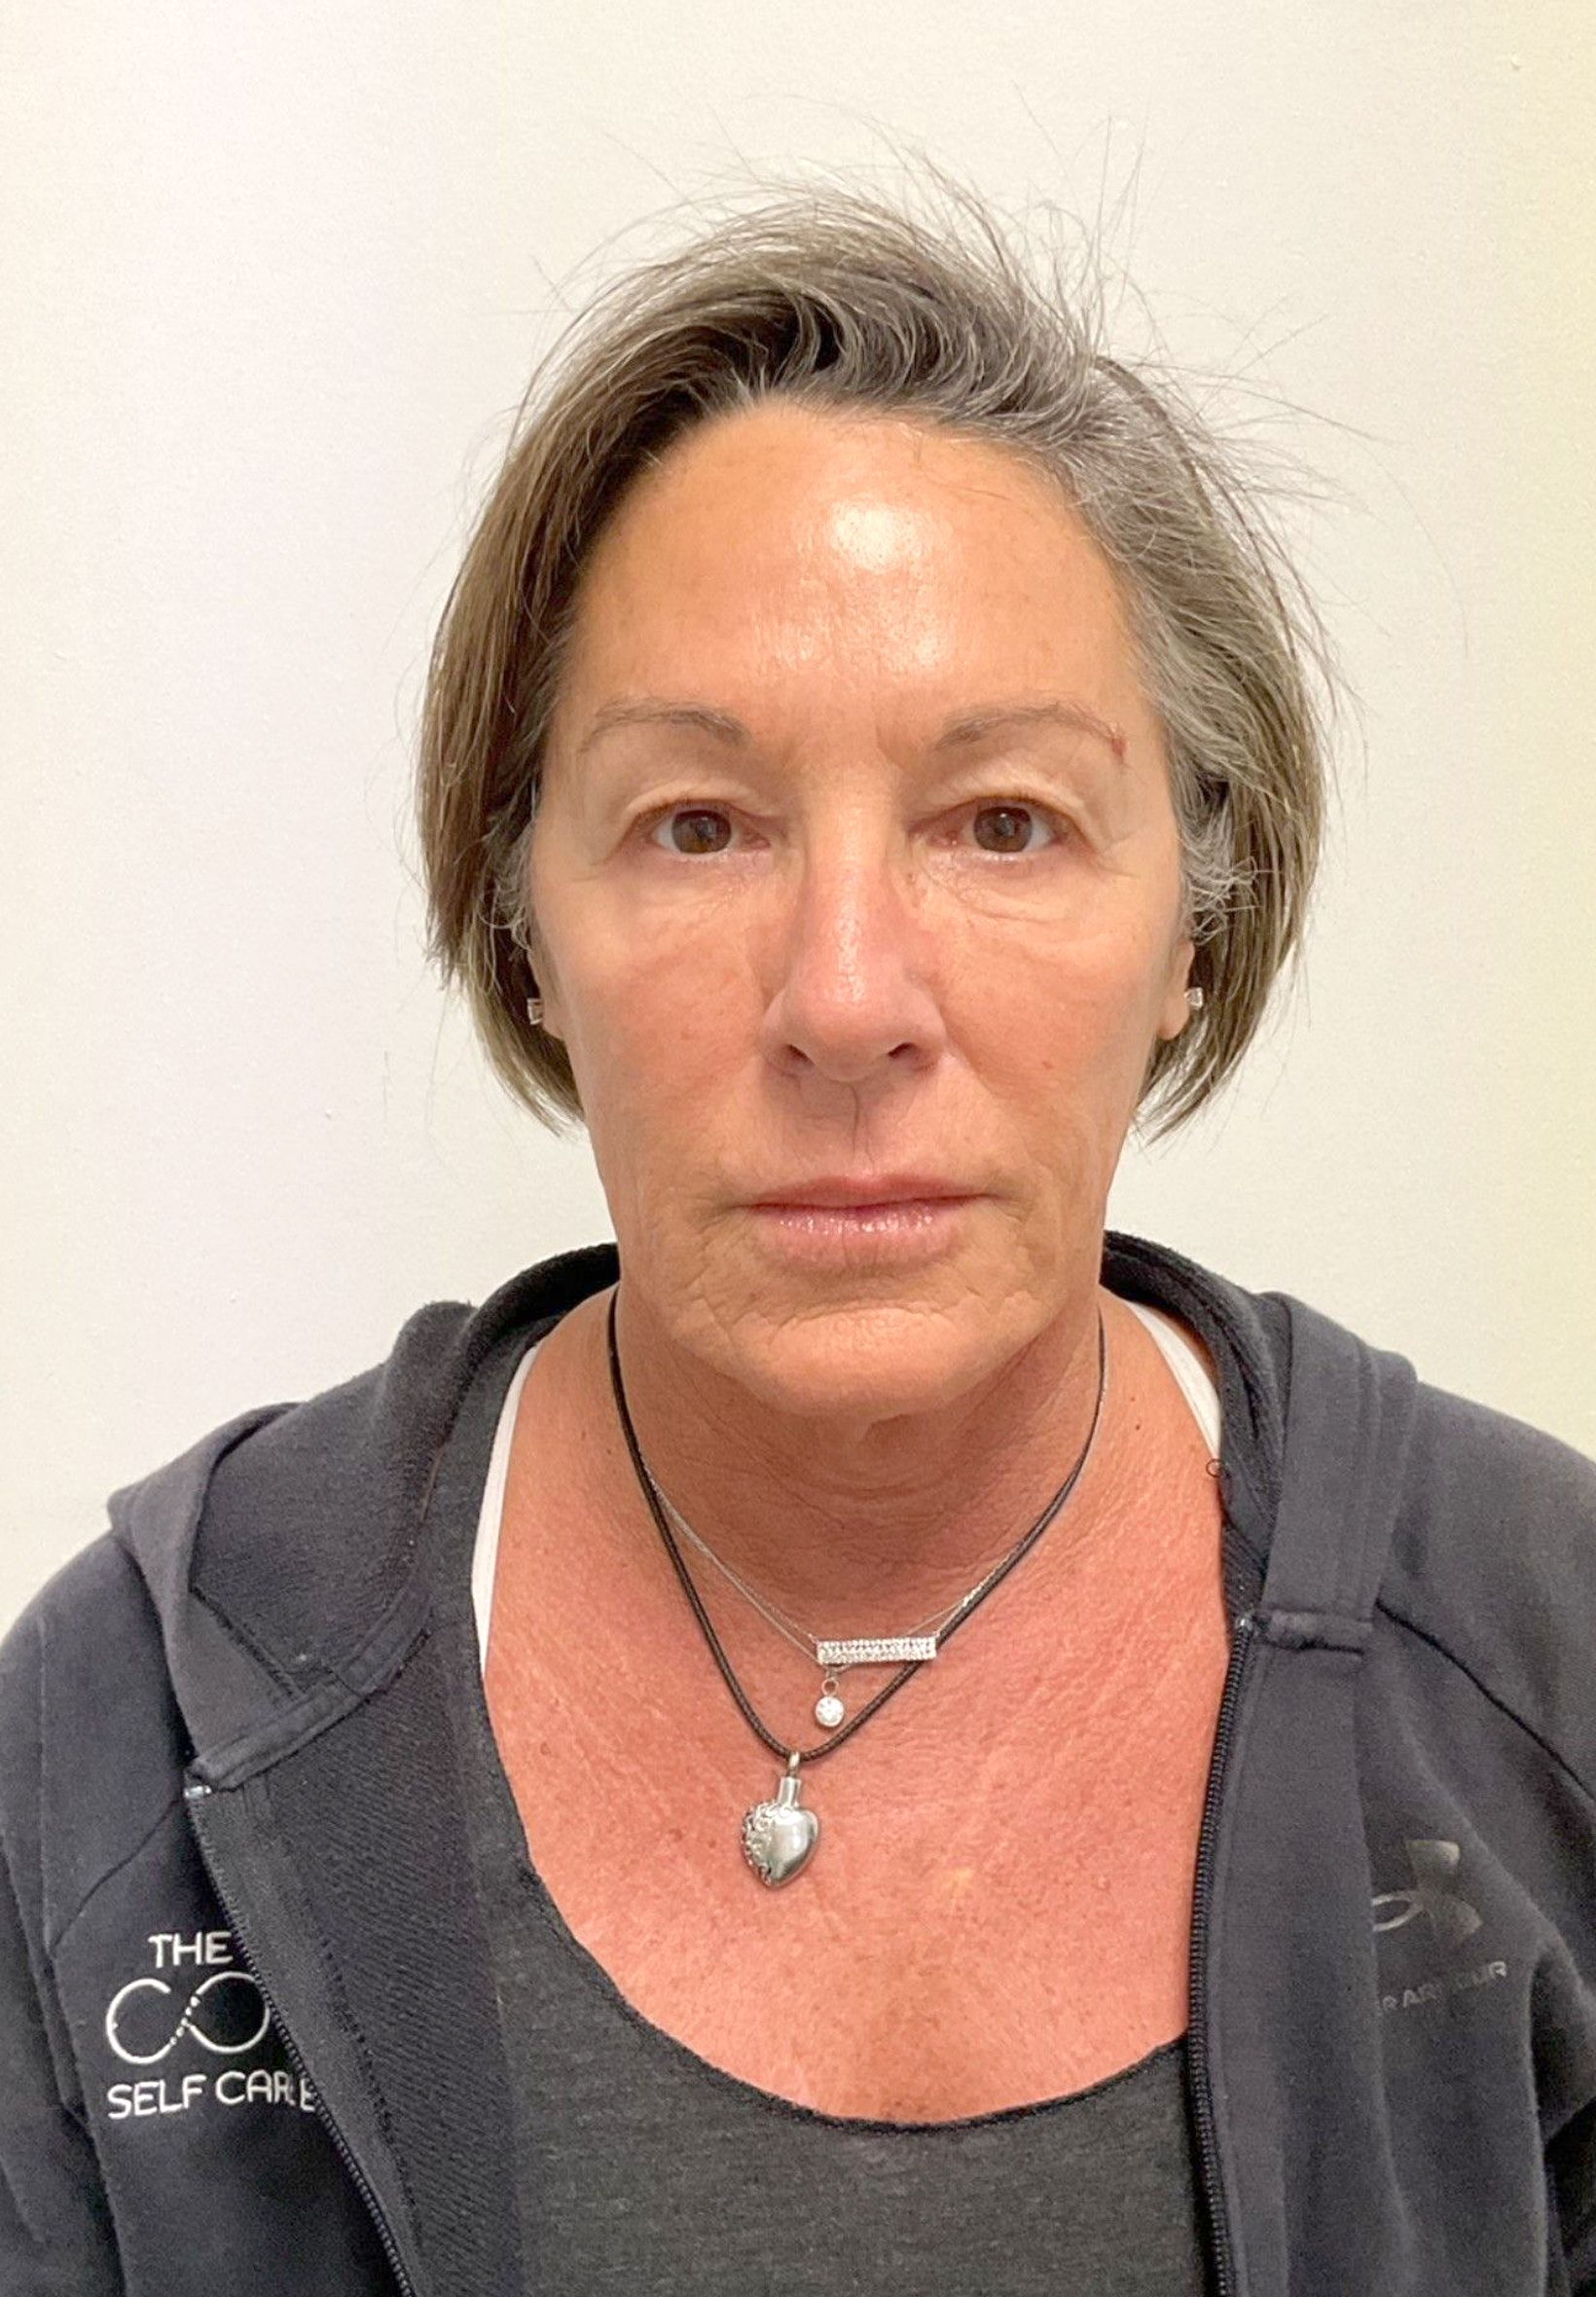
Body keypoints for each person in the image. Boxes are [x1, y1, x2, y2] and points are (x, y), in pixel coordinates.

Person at [3, 176, 1594, 2297]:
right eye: (698, 826)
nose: (846, 996)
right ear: (527, 928)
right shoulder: (130, 1738)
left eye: (1004, 819)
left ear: (1192, 928)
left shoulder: (1537, 1670)